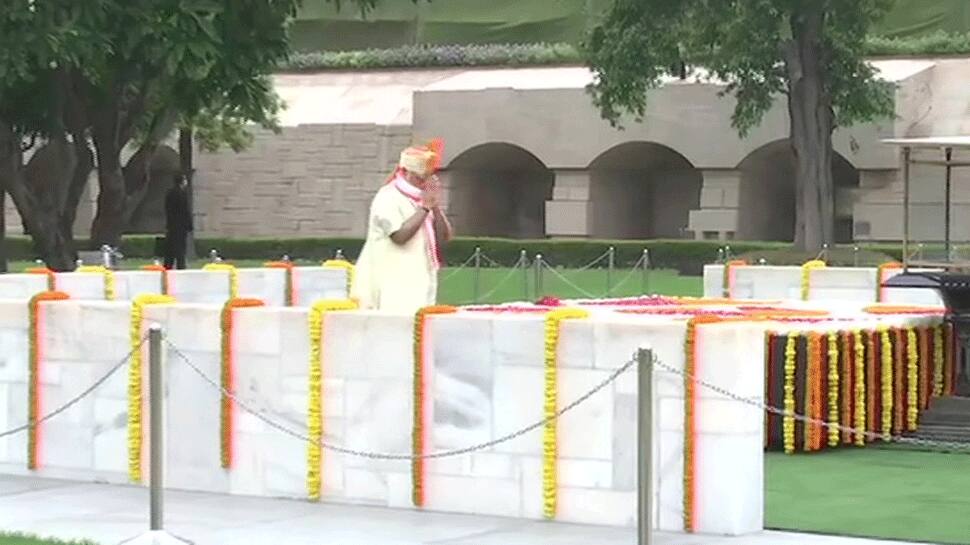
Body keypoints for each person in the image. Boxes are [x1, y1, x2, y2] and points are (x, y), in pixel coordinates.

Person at [351, 143, 454, 313]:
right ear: (405, 172)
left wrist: (434, 205)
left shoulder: (422, 199)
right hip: (391, 281)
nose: (423, 182)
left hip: (419, 279)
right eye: (419, 177)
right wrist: (425, 207)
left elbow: (444, 237)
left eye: (427, 177)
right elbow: (399, 237)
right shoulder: (388, 197)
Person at [164, 174, 192, 270]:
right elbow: (185, 210)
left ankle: (168, 266)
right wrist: (189, 225)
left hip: (171, 225)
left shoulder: (169, 193)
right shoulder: (182, 194)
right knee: (180, 247)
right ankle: (181, 267)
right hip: (180, 226)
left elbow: (167, 209)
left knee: (170, 248)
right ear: (182, 181)